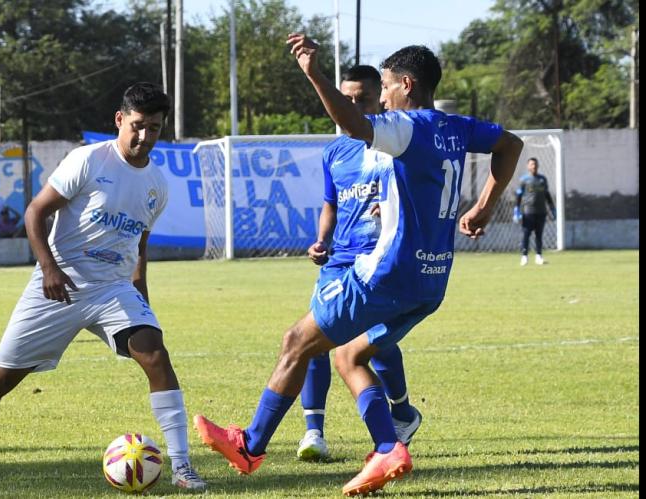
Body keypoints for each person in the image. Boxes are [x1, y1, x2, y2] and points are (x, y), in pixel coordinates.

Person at [193, 37, 523, 497]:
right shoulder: (457, 127)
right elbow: (511, 143)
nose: (382, 97)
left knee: (296, 342)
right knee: (350, 355)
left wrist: (312, 71)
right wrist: (486, 205)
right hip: (431, 281)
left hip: (385, 274)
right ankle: (388, 445)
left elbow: (351, 125)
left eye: (386, 87)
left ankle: (250, 445)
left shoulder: (406, 126)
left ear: (406, 85)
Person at [0, 82, 207, 491]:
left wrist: (141, 301)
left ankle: (182, 467)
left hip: (112, 289)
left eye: (154, 128)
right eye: (137, 126)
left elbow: (139, 248)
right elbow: (35, 212)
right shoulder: (89, 160)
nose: (144, 137)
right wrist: (49, 269)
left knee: (156, 355)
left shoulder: (157, 185)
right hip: (58, 285)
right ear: (119, 120)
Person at [295, 65, 420, 463]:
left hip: (382, 260)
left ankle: (400, 414)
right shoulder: (335, 151)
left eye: (361, 99)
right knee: (315, 339)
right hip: (341, 262)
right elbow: (331, 204)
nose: (352, 105)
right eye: (345, 98)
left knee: (376, 344)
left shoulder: (395, 141)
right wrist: (322, 240)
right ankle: (314, 432)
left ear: (379, 96)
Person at [513, 157, 555, 266]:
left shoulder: (542, 179)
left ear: (538, 165)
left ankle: (539, 257)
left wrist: (552, 208)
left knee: (539, 235)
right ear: (528, 166)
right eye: (531, 164)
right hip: (528, 212)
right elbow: (518, 195)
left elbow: (547, 194)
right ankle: (524, 257)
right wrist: (517, 210)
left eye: (535, 164)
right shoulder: (524, 180)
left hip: (541, 211)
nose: (534, 166)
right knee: (526, 234)